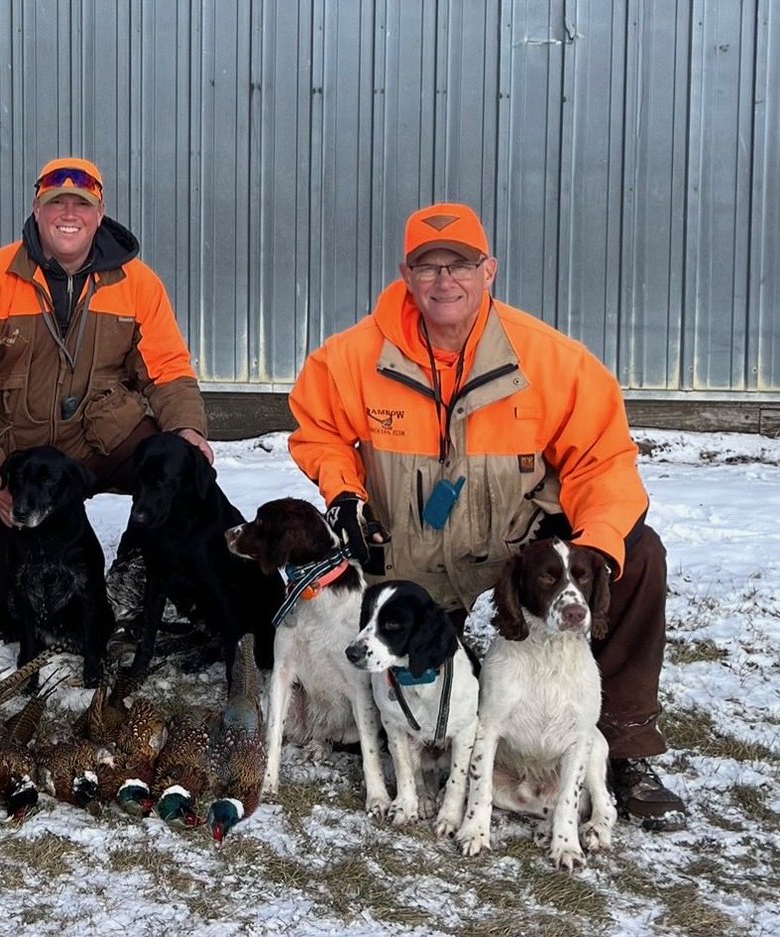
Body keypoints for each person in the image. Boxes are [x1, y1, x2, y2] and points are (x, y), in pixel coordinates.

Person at [287, 202, 687, 831]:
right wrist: (343, 491)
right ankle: (408, 723)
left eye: (461, 264)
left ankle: (624, 745)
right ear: (406, 274)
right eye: (428, 266)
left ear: (489, 270)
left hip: (516, 548)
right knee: (420, 665)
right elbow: (318, 430)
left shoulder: (552, 360)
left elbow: (603, 461)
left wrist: (600, 555)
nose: (445, 281)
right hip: (408, 553)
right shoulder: (350, 357)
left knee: (641, 553)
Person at [0, 156, 210, 622]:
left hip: (105, 435)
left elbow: (167, 369)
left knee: (181, 465)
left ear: (99, 212)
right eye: (57, 203)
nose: (69, 214)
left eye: (81, 204)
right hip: (21, 454)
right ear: (36, 208)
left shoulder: (138, 284)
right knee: (13, 611)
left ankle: (141, 567)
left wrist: (189, 430)